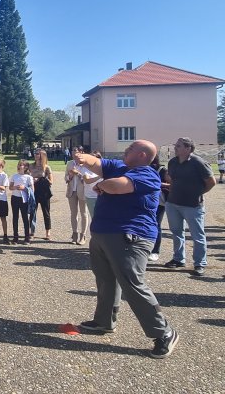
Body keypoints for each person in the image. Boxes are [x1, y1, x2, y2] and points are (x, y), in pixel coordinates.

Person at [74, 140, 179, 359]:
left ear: (142, 155)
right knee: (105, 279)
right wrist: (84, 159)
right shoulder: (119, 166)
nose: (126, 149)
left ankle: (164, 332)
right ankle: (104, 321)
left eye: (131, 148)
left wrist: (101, 184)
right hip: (104, 234)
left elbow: (118, 186)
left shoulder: (147, 174)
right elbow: (97, 163)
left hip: (130, 236)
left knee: (133, 284)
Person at [163, 137, 216, 277]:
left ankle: (200, 263)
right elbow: (171, 179)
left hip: (192, 205)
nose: (175, 148)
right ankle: (178, 259)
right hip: (173, 203)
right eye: (175, 145)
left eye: (178, 146)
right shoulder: (173, 162)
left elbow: (211, 182)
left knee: (197, 235)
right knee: (176, 232)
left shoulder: (198, 162)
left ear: (188, 148)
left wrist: (198, 193)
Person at [65, 147, 88, 245]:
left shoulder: (86, 164)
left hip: (82, 191)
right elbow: (66, 177)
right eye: (73, 151)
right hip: (71, 191)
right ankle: (74, 234)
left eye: (76, 152)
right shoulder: (70, 163)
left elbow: (87, 179)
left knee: (84, 214)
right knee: (73, 213)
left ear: (81, 152)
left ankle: (83, 235)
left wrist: (77, 174)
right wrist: (69, 176)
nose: (74, 153)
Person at [148, 155, 169, 262]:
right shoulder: (138, 167)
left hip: (159, 202)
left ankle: (155, 251)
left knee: (156, 224)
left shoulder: (162, 170)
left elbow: (171, 184)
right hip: (145, 201)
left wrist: (157, 184)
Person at [29, 149, 53, 240]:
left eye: (37, 154)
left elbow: (51, 181)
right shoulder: (31, 166)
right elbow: (26, 177)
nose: (35, 155)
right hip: (34, 191)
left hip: (44, 192)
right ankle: (32, 231)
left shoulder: (46, 167)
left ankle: (48, 231)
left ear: (42, 156)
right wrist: (32, 179)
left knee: (46, 212)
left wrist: (41, 179)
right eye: (35, 153)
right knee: (32, 212)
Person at [10, 160, 34, 245]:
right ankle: (15, 237)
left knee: (25, 218)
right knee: (15, 217)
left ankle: (27, 237)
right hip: (15, 198)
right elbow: (10, 187)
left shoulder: (28, 177)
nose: (20, 166)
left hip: (24, 200)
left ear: (26, 167)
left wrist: (24, 188)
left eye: (22, 165)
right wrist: (15, 187)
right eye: (19, 165)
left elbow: (32, 190)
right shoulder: (14, 176)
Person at [79, 151, 103, 220]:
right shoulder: (85, 168)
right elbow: (87, 181)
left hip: (102, 196)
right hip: (91, 196)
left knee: (103, 217)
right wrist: (99, 176)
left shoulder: (102, 168)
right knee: (95, 217)